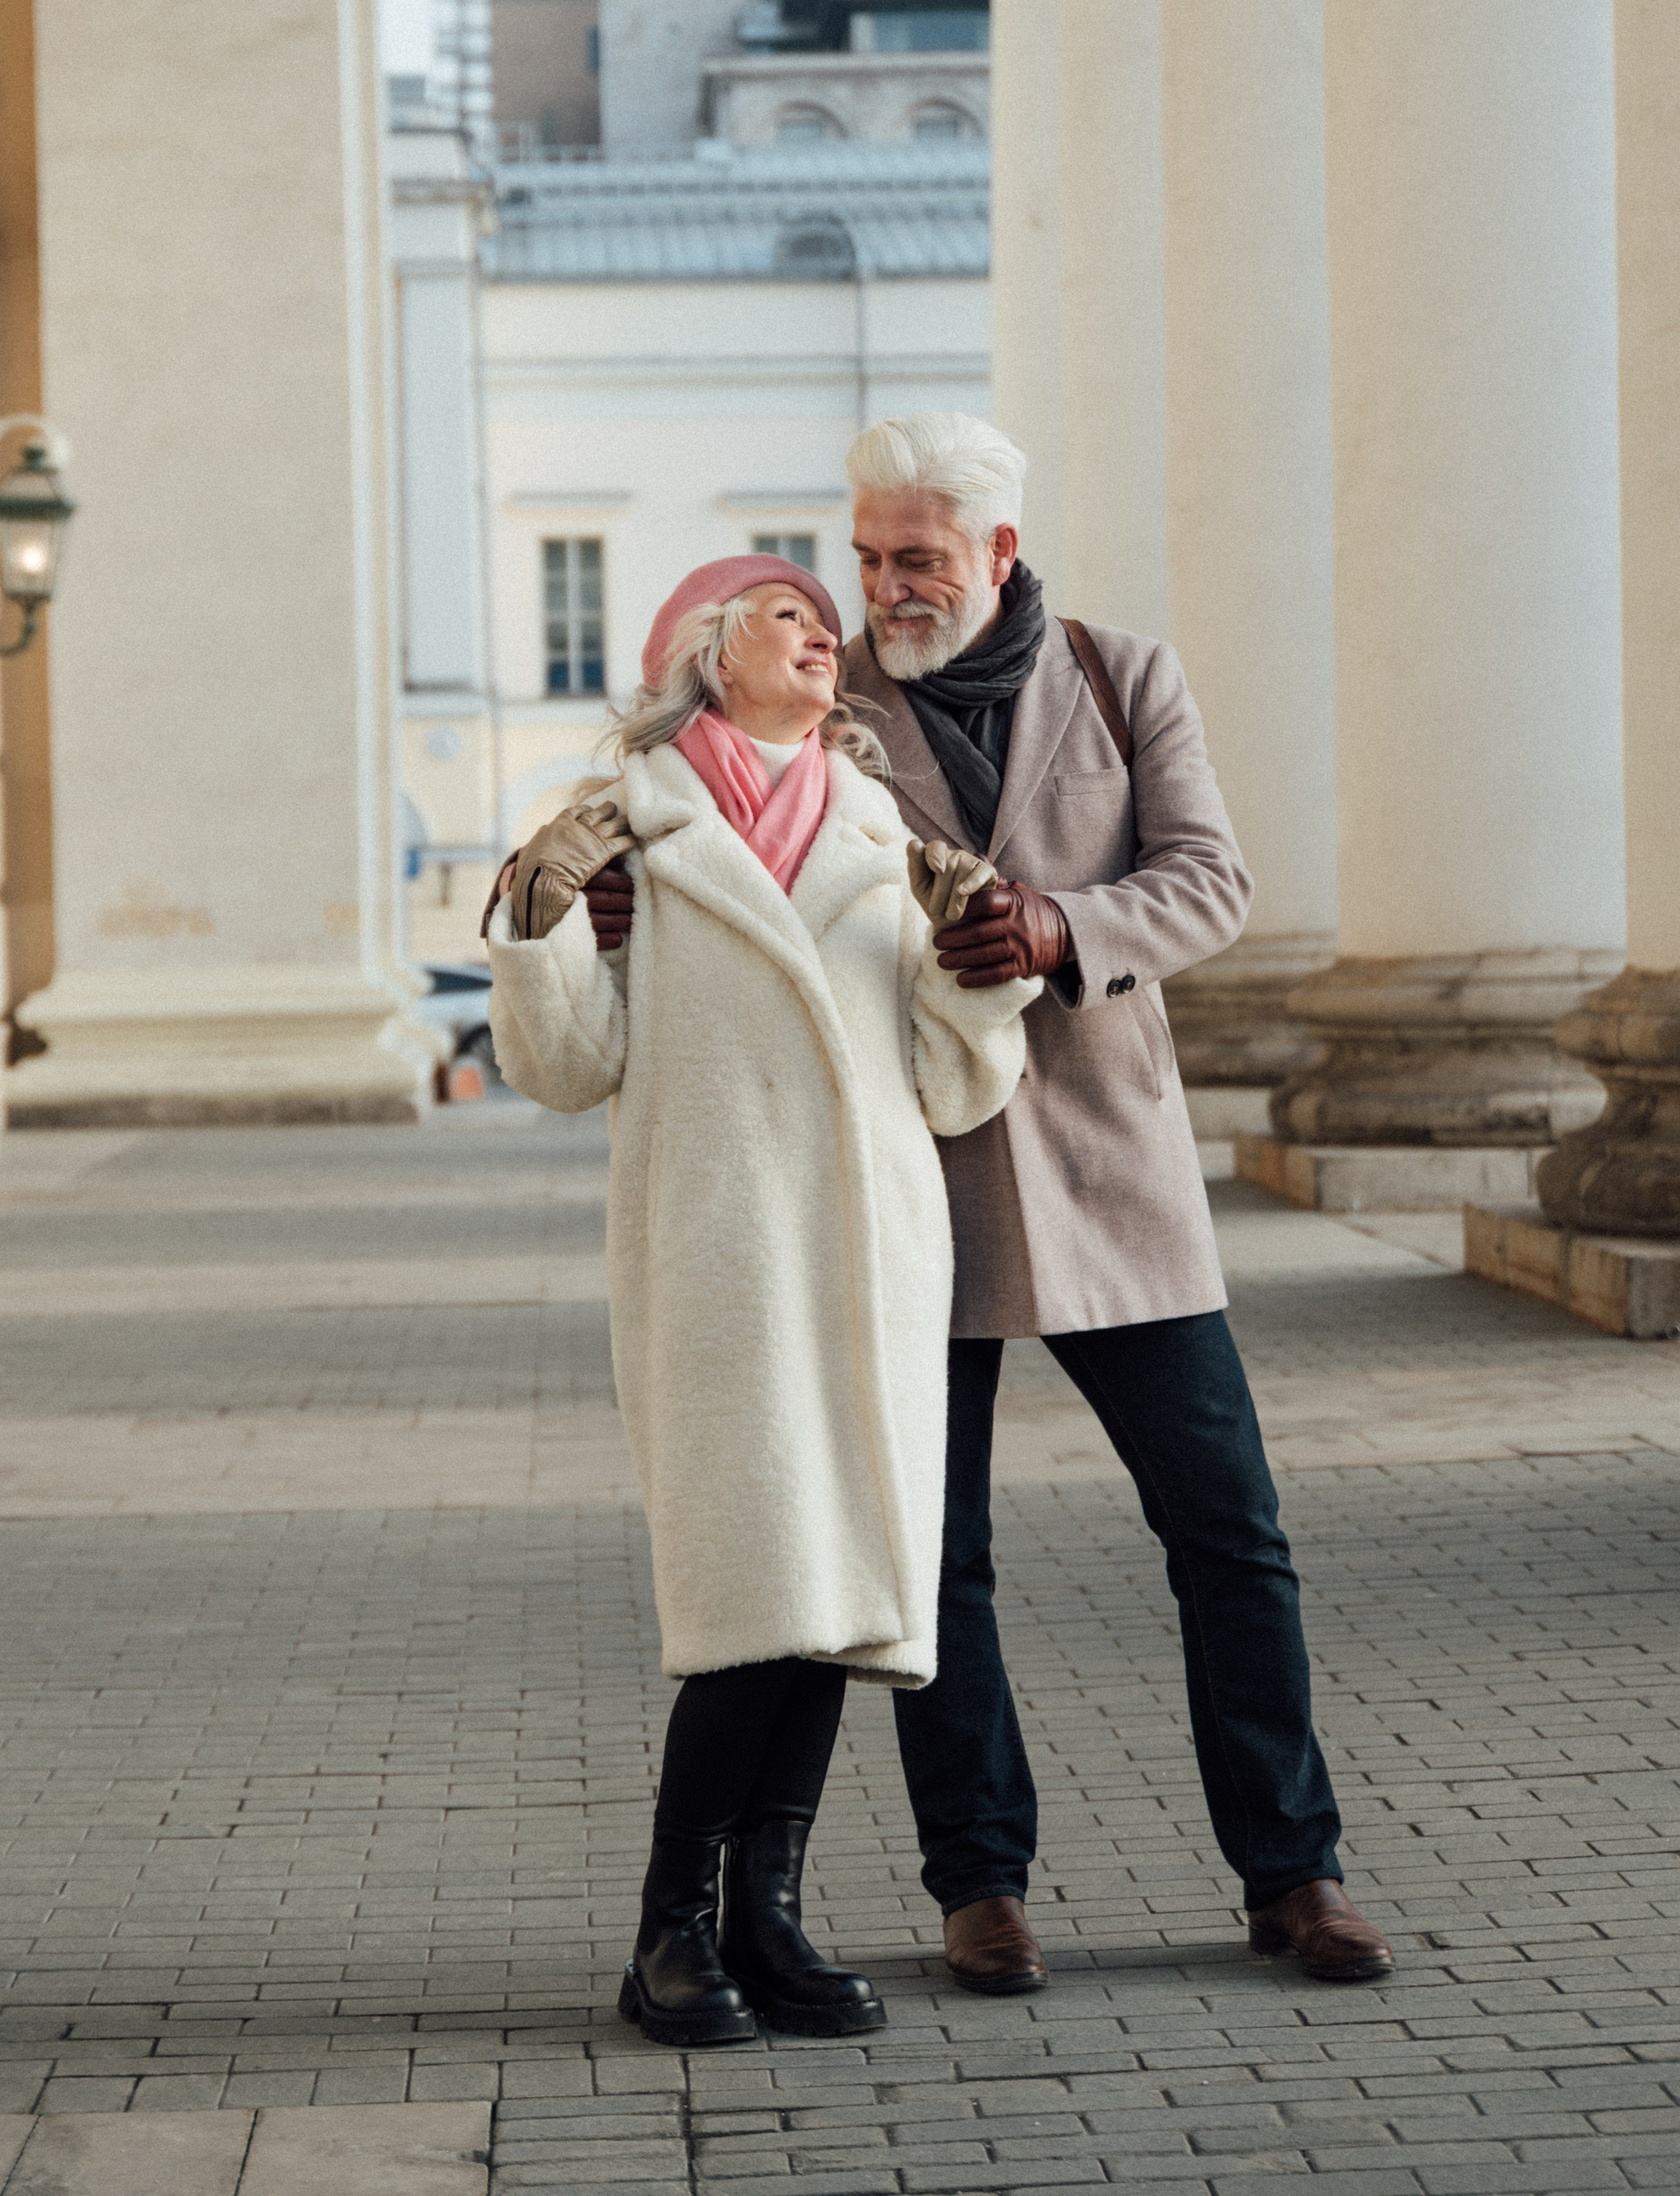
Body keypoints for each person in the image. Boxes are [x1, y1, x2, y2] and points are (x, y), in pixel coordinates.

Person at [834, 412, 1394, 1994]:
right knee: (933, 1556)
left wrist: (1062, 926)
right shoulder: (826, 706)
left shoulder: (1119, 670)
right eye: (869, 553)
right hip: (911, 1171)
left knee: (1229, 1531)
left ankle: (1293, 1870)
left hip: (1108, 1166)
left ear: (996, 552)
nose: (884, 585)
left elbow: (1211, 877)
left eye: (917, 558)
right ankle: (978, 1884)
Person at [486, 555, 1040, 2048]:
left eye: (821, 619)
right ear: (702, 654)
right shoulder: (638, 829)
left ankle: (764, 1920)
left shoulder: (881, 825)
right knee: (753, 1597)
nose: (821, 633)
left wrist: (982, 967)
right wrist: (540, 920)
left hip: (867, 1251)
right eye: (783, 613)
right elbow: (568, 1064)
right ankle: (668, 1930)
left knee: (840, 1603)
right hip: (723, 1251)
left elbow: (949, 1070)